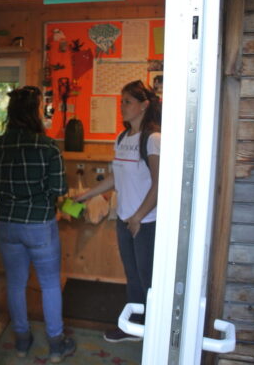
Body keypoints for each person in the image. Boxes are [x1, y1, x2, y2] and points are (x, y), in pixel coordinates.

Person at [0, 86, 76, 363]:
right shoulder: (48, 146)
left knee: (15, 284)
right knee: (50, 284)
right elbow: (59, 188)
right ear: (35, 112)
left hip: (6, 223)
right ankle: (55, 346)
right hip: (40, 223)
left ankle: (21, 342)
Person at [74, 80, 161, 343]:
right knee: (133, 276)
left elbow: (160, 183)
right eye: (122, 101)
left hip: (145, 221)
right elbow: (115, 177)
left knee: (147, 279)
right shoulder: (122, 138)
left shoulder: (154, 139)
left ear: (144, 105)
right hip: (125, 219)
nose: (122, 107)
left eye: (127, 102)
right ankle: (134, 328)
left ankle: (152, 331)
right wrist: (86, 194)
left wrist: (137, 217)